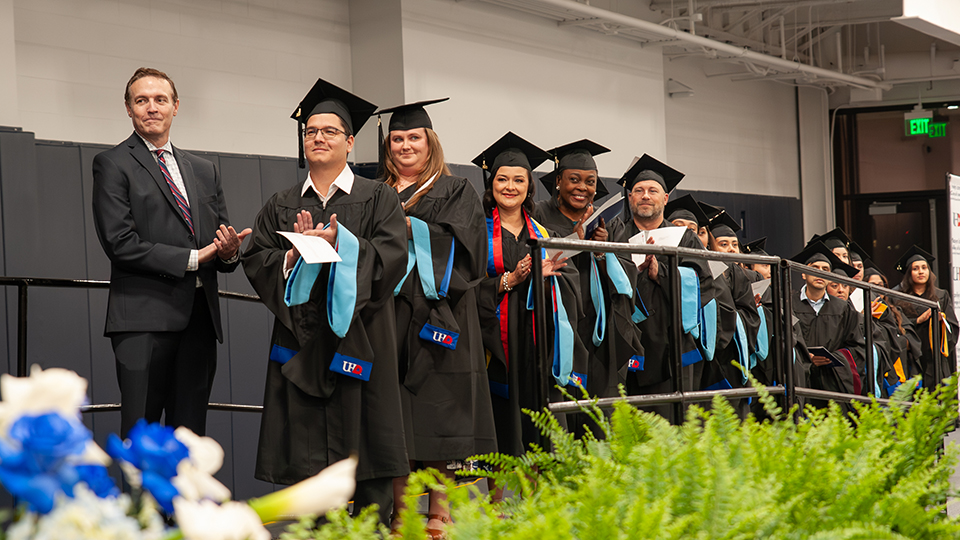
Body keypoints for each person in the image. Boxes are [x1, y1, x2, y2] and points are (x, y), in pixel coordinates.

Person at [241, 78, 408, 526]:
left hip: (362, 338)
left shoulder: (379, 198)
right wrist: (291, 257)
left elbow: (393, 258)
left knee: (369, 452)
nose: (318, 137)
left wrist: (344, 243)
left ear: (350, 142)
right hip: (302, 339)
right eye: (311, 131)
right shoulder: (282, 203)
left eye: (329, 131)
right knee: (309, 460)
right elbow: (257, 256)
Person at [92, 67, 249, 437]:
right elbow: (119, 242)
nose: (151, 107)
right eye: (141, 100)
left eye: (160, 99)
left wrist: (228, 252)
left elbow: (220, 243)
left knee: (190, 441)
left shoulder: (204, 169)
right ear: (128, 109)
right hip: (142, 325)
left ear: (175, 107)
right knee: (140, 439)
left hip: (198, 322)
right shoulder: (112, 164)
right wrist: (193, 258)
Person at [375, 98, 496, 537]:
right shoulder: (375, 193)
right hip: (388, 313)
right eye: (398, 139)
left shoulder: (456, 189)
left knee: (439, 410)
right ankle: (402, 508)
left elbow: (470, 250)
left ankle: (440, 508)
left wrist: (414, 229)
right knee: (396, 412)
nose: (405, 146)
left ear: (431, 143)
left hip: (440, 311)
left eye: (414, 138)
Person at [474, 132, 585, 465]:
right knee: (499, 429)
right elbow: (466, 286)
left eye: (518, 180)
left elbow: (572, 289)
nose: (510, 186)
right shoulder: (477, 232)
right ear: (491, 184)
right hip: (495, 346)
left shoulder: (544, 234)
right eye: (502, 179)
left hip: (538, 345)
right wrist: (512, 279)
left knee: (539, 429)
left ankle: (534, 502)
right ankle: (495, 503)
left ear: (529, 187)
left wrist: (551, 279)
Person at [533, 140, 642, 434]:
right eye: (574, 180)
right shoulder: (539, 215)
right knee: (560, 419)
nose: (582, 187)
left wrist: (601, 250)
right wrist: (572, 239)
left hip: (599, 333)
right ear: (558, 182)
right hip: (559, 327)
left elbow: (629, 276)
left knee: (599, 419)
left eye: (590, 182)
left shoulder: (609, 224)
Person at [609, 155, 716, 422]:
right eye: (639, 191)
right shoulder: (614, 234)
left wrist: (663, 273)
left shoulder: (685, 238)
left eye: (652, 191)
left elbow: (705, 285)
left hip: (673, 347)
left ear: (665, 199)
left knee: (674, 427)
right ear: (630, 198)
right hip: (623, 345)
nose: (645, 196)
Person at [790, 241, 864, 404]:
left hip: (833, 385)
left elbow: (858, 348)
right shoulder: (788, 305)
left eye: (825, 270)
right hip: (800, 384)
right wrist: (805, 357)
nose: (820, 273)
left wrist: (833, 358)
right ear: (803, 273)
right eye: (814, 268)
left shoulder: (843, 308)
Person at [890, 246, 959, 388]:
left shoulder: (941, 296)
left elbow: (953, 328)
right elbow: (894, 326)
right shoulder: (898, 298)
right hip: (911, 359)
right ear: (909, 274)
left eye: (924, 268)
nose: (921, 272)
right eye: (915, 269)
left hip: (935, 361)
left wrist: (942, 321)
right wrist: (918, 320)